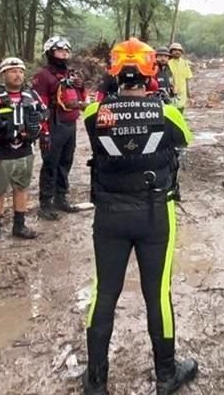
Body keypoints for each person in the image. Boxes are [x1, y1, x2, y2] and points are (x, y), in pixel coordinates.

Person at [81, 38, 198, 395]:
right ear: (151, 72)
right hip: (153, 212)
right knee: (157, 293)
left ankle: (96, 382)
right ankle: (165, 374)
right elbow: (185, 141)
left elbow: (99, 127)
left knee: (104, 293)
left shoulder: (92, 114)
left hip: (109, 215)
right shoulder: (167, 113)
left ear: (114, 72)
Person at [0, 57, 45, 249]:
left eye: (20, 71)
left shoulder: (31, 94)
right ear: (3, 74)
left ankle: (20, 225)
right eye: (12, 71)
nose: (17, 75)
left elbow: (43, 112)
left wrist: (37, 127)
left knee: (21, 188)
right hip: (1, 153)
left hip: (25, 151)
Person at [32, 36, 87, 220]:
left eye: (66, 51)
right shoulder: (43, 75)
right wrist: (44, 131)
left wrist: (81, 86)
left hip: (70, 124)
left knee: (66, 162)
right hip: (54, 125)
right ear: (50, 53)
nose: (64, 54)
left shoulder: (70, 74)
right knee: (50, 164)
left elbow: (80, 98)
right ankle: (46, 203)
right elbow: (39, 104)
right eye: (59, 50)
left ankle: (61, 197)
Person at [167, 42, 193, 111]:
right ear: (171, 52)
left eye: (179, 50)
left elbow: (187, 80)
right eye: (175, 50)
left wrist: (188, 94)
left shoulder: (184, 63)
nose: (177, 52)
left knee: (181, 112)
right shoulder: (168, 63)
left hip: (182, 94)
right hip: (171, 93)